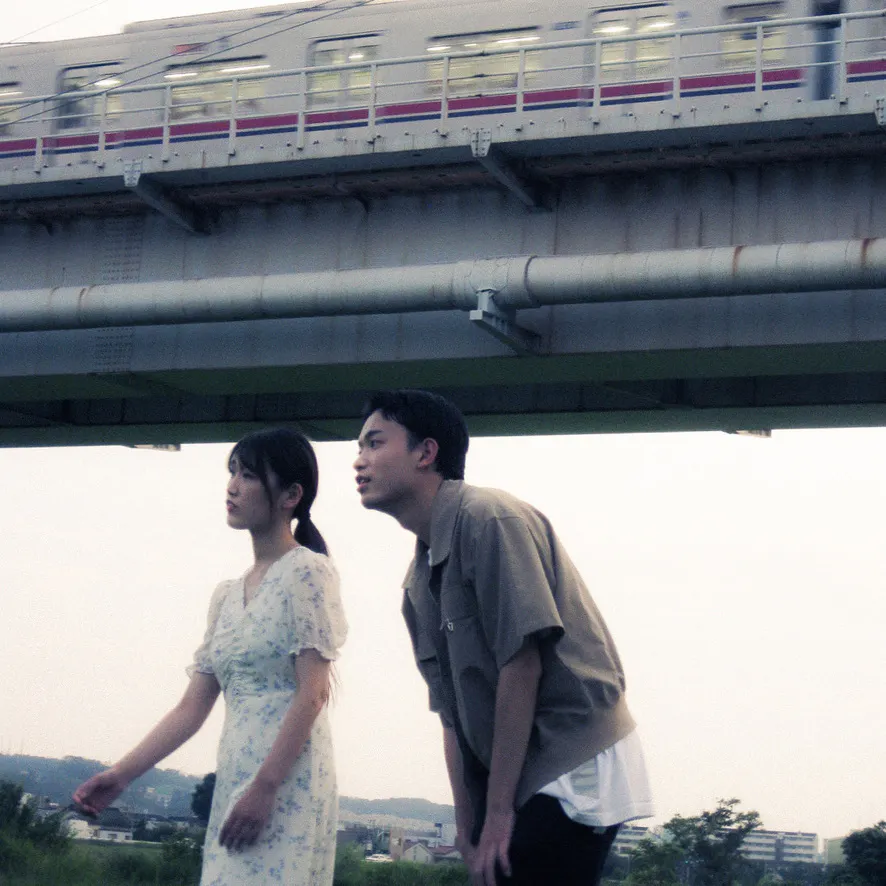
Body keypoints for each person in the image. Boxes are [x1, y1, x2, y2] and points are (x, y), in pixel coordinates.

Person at [354, 390, 652, 886]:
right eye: (359, 447)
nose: (359, 460)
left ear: (426, 452)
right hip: (518, 771)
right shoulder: (418, 582)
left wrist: (497, 814)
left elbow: (522, 662)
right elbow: (451, 715)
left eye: (374, 443)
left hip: (571, 755)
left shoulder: (489, 519)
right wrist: (467, 824)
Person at [74, 427, 347, 885]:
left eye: (249, 475)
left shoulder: (307, 571)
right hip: (236, 778)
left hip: (285, 783)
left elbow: (313, 695)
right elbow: (190, 708)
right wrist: (121, 775)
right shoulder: (226, 596)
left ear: (291, 495)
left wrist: (265, 787)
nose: (233, 486)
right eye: (232, 472)